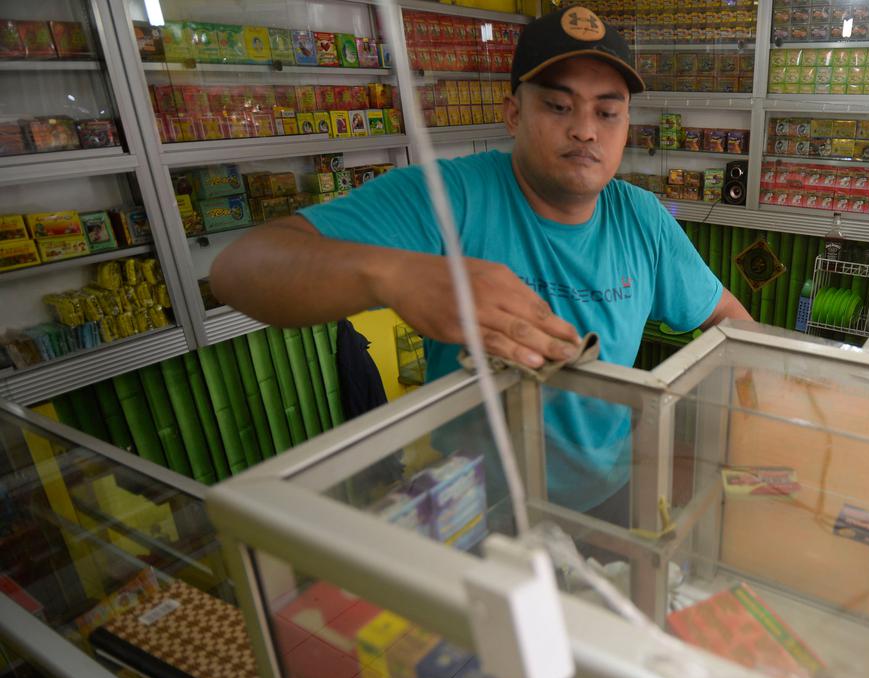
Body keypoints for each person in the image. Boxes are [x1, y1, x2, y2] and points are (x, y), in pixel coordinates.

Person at [210, 6, 751, 521]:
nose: (586, 130)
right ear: (514, 112)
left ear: (625, 126)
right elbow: (239, 269)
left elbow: (732, 323)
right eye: (559, 107)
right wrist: (398, 276)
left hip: (612, 492)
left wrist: (767, 420)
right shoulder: (451, 197)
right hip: (475, 501)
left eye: (607, 112)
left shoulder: (642, 218)